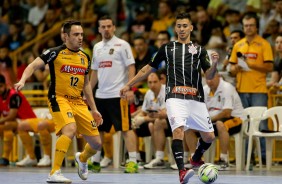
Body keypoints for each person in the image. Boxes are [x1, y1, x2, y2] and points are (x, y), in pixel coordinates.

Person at [120, 12, 219, 184]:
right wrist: (129, 84)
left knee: (209, 137)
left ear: (191, 27)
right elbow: (147, 69)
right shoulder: (167, 48)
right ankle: (182, 171)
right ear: (175, 28)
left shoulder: (199, 50)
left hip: (196, 98)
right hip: (175, 97)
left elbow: (209, 76)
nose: (182, 29)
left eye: (185, 26)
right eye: (179, 26)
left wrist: (215, 64)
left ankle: (195, 158)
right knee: (178, 131)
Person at [14, 20, 103, 183]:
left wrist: (94, 108)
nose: (80, 38)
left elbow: (87, 85)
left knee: (96, 143)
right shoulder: (54, 53)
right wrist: (22, 80)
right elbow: (32, 66)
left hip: (78, 102)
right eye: (76, 34)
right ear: (66, 36)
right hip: (59, 98)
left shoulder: (85, 57)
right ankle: (54, 172)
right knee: (69, 129)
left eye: (82, 34)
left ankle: (82, 159)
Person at [89, 15, 138, 173]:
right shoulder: (96, 47)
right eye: (103, 27)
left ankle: (133, 162)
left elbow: (131, 67)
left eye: (109, 26)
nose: (106, 29)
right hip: (100, 96)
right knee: (99, 130)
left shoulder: (122, 45)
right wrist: (88, 92)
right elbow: (95, 72)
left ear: (114, 27)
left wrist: (129, 88)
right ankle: (95, 161)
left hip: (119, 95)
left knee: (126, 129)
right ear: (99, 29)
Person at [229, 12, 274, 166]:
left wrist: (250, 64)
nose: (248, 28)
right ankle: (248, 159)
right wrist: (235, 69)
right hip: (242, 90)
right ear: (243, 27)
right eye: (246, 25)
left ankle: (263, 158)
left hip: (259, 90)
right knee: (245, 125)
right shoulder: (238, 45)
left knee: (261, 125)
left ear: (256, 27)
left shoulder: (264, 44)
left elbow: (269, 66)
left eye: (251, 25)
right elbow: (231, 68)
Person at [186, 71, 245, 170]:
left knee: (220, 124)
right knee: (188, 126)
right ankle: (195, 159)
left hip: (235, 120)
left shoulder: (227, 88)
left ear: (218, 76)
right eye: (207, 78)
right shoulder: (204, 90)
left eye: (212, 77)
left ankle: (224, 160)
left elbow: (227, 113)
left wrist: (207, 120)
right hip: (212, 121)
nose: (209, 81)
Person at [0, 74, 51, 167]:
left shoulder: (13, 95)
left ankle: (6, 157)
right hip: (16, 123)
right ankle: (6, 158)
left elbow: (12, 116)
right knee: (7, 131)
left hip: (27, 120)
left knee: (6, 125)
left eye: (0, 86)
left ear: (4, 85)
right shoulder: (0, 97)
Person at [131, 72, 171, 169]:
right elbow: (144, 111)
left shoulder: (166, 91)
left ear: (161, 81)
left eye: (155, 82)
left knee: (156, 123)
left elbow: (162, 115)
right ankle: (136, 158)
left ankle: (159, 158)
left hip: (170, 121)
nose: (152, 85)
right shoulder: (149, 93)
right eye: (150, 82)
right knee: (132, 124)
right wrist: (137, 118)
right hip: (154, 121)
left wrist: (144, 118)